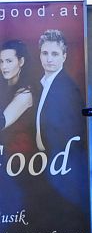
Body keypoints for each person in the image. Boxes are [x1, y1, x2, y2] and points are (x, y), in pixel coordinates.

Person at [32, 29, 84, 157]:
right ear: (40, 55)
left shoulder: (68, 89)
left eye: (55, 54)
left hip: (61, 159)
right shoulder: (41, 84)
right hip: (45, 158)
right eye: (45, 53)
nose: (49, 59)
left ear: (64, 57)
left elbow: (73, 133)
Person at [0, 39, 35, 153]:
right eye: (1, 61)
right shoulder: (5, 87)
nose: (4, 66)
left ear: (21, 62)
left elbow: (1, 122)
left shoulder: (25, 94)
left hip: (19, 156)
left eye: (9, 61)